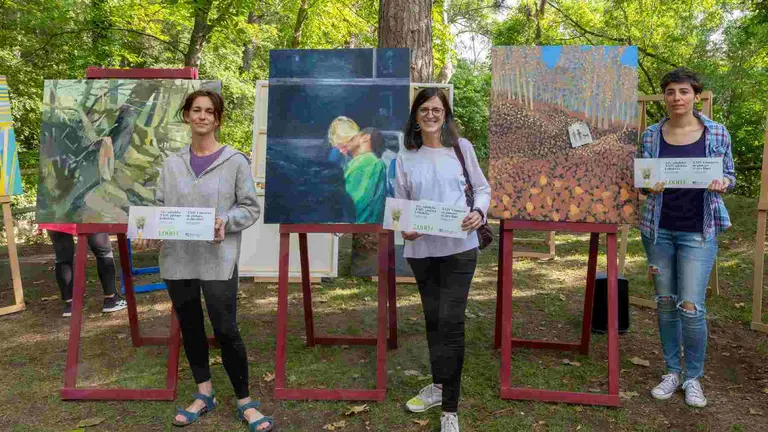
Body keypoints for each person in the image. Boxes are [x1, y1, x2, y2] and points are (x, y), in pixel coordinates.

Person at [154, 89, 273, 431]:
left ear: (217, 118)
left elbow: (250, 207)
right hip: (177, 258)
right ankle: (204, 393)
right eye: (196, 110)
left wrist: (226, 221)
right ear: (187, 116)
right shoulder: (171, 163)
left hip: (218, 258)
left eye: (209, 111)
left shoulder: (235, 160)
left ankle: (245, 402)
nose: (202, 116)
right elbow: (161, 207)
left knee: (225, 329)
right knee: (190, 325)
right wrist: (152, 226)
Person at [395, 88, 490, 432]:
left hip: (460, 248)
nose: (431, 114)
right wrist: (406, 228)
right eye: (425, 109)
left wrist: (479, 211)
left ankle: (450, 408)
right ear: (416, 116)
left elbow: (482, 188)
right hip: (423, 252)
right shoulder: (406, 155)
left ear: (445, 114)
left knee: (451, 322)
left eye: (437, 109)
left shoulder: (462, 149)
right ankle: (437, 386)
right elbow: (400, 203)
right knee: (433, 320)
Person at [640, 68, 735, 408]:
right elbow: (644, 179)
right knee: (665, 303)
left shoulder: (716, 132)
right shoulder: (651, 135)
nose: (677, 97)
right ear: (664, 98)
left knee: (691, 308)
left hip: (698, 229)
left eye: (683, 91)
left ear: (696, 96)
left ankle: (693, 377)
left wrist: (723, 182)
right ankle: (672, 371)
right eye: (670, 92)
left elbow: (729, 175)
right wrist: (647, 184)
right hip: (658, 229)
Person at [44, 227, 127, 317]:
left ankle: (70, 305)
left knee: (62, 257)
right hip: (88, 214)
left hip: (54, 215)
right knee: (103, 251)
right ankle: (111, 299)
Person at [343, 127, 387, 223]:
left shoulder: (368, 162)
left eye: (353, 137)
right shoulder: (365, 162)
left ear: (365, 138)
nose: (348, 140)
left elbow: (353, 203)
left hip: (356, 230)